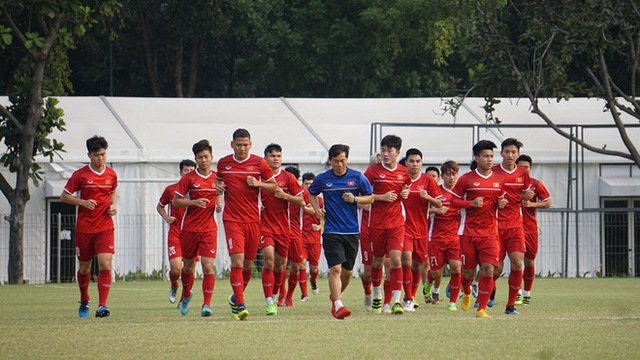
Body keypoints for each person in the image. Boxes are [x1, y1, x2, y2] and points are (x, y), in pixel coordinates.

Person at [308, 144, 374, 319]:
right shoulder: (323, 179)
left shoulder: (357, 177)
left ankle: (335, 296)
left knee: (348, 272)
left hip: (352, 231)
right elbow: (311, 193)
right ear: (330, 161)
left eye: (343, 160)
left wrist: (355, 198)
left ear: (347, 160)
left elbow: (371, 197)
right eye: (336, 161)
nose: (340, 164)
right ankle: (338, 305)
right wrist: (316, 209)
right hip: (331, 230)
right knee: (335, 269)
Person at [216, 129, 276, 320]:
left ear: (251, 144)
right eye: (239, 145)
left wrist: (258, 184)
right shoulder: (224, 163)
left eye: (246, 145)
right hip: (232, 219)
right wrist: (219, 189)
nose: (242, 148)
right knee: (238, 262)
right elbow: (218, 180)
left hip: (253, 220)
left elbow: (274, 186)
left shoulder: (259, 163)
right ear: (232, 144)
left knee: (249, 265)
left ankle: (235, 297)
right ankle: (241, 304)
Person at [61, 135, 118, 318]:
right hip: (85, 227)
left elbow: (113, 191)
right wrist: (82, 202)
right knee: (85, 268)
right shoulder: (80, 175)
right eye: (96, 155)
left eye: (102, 154)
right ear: (89, 155)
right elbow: (64, 196)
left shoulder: (111, 174)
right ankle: (84, 299)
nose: (100, 158)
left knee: (104, 263)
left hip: (105, 227)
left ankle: (102, 305)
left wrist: (113, 205)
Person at [450, 140, 506, 318]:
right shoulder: (466, 179)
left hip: (490, 233)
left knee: (489, 269)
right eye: (485, 156)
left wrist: (502, 203)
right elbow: (453, 201)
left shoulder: (498, 179)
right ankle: (466, 290)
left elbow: (501, 199)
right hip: (468, 233)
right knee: (467, 273)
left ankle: (481, 308)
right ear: (476, 158)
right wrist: (470, 203)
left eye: (491, 156)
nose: (490, 159)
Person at [172, 140, 221, 317]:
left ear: (211, 157)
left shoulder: (217, 178)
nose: (203, 160)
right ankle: (185, 295)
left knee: (208, 267)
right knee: (188, 268)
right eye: (200, 157)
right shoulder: (188, 179)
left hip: (209, 230)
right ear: (196, 159)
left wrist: (219, 203)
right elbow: (175, 201)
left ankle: (206, 305)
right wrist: (193, 202)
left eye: (206, 156)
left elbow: (221, 192)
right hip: (189, 229)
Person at [364, 135, 412, 315]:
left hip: (396, 223)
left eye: (389, 150)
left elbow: (404, 190)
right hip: (376, 223)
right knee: (376, 263)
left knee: (395, 260)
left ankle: (396, 301)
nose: (385, 154)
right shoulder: (372, 171)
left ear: (398, 152)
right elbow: (363, 195)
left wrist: (405, 194)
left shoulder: (404, 172)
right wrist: (380, 197)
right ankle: (377, 295)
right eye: (383, 150)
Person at [256, 145, 305, 315]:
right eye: (272, 155)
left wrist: (286, 196)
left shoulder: (288, 177)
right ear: (265, 158)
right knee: (268, 260)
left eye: (278, 155)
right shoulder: (259, 177)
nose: (275, 158)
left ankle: (277, 294)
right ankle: (269, 300)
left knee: (280, 265)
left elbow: (301, 201)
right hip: (265, 226)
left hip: (284, 229)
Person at [492, 138, 533, 316]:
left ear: (517, 155)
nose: (510, 155)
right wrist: (496, 202)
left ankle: (510, 305)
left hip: (516, 225)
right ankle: (488, 288)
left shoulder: (523, 173)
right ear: (501, 153)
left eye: (513, 152)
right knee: (496, 269)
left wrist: (527, 196)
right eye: (507, 152)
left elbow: (525, 197)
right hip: (495, 226)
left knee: (517, 264)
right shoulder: (492, 172)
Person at [400, 148, 442, 312]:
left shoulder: (428, 181)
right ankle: (407, 297)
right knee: (406, 261)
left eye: (418, 161)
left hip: (422, 230)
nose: (415, 164)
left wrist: (428, 197)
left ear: (421, 163)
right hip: (403, 227)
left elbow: (439, 204)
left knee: (417, 266)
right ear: (406, 162)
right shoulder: (401, 179)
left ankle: (412, 295)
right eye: (412, 161)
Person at [156, 159, 196, 306]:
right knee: (176, 269)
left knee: (190, 268)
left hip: (193, 233)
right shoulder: (171, 190)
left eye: (192, 171)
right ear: (180, 172)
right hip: (176, 233)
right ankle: (174, 285)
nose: (189, 173)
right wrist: (166, 217)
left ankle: (183, 300)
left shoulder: (198, 191)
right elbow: (159, 206)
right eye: (186, 170)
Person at [516, 154, 551, 305]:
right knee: (516, 261)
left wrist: (531, 205)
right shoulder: (509, 184)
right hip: (513, 228)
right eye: (520, 167)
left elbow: (548, 202)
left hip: (530, 229)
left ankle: (527, 294)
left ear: (530, 168)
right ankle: (516, 292)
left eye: (526, 167)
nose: (523, 169)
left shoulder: (536, 184)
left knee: (529, 262)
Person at [428, 160, 463, 311]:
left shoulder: (462, 193)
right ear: (442, 176)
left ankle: (452, 302)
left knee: (456, 268)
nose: (451, 178)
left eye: (454, 174)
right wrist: (436, 210)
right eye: (448, 175)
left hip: (455, 238)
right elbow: (422, 211)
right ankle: (429, 282)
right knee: (436, 272)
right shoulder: (436, 192)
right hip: (436, 237)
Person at [282, 166, 314, 306]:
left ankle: (289, 296)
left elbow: (312, 209)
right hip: (279, 231)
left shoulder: (302, 193)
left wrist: (304, 207)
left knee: (296, 266)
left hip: (296, 234)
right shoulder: (277, 189)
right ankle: (281, 295)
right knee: (280, 265)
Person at [359, 152, 380, 311]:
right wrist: (363, 203)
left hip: (387, 226)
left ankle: (383, 299)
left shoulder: (392, 179)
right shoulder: (364, 180)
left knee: (387, 264)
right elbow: (356, 201)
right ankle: (368, 292)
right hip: (367, 228)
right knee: (368, 269)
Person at [300, 172, 323, 297]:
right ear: (302, 184)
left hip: (315, 239)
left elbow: (326, 220)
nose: (309, 186)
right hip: (301, 237)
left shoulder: (320, 201)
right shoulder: (299, 200)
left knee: (314, 269)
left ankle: (313, 280)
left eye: (311, 184)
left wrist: (319, 226)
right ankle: (304, 294)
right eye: (306, 183)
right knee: (301, 263)